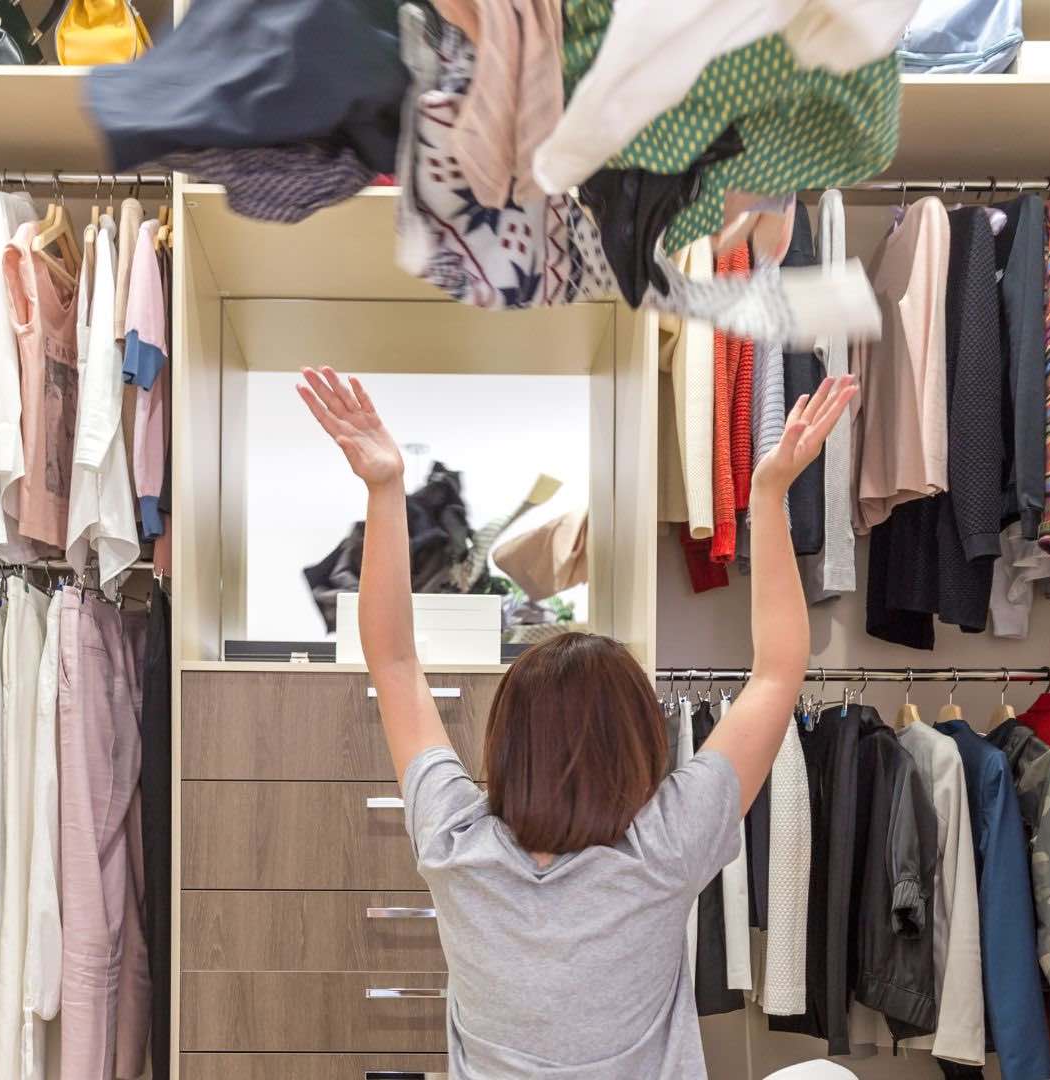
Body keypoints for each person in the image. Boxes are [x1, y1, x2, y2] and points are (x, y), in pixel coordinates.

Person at [296, 365, 859, 1079]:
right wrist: (770, 493)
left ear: (508, 742)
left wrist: (384, 489)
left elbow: (396, 664)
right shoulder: (667, 845)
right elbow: (778, 669)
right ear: (636, 745)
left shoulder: (456, 843)